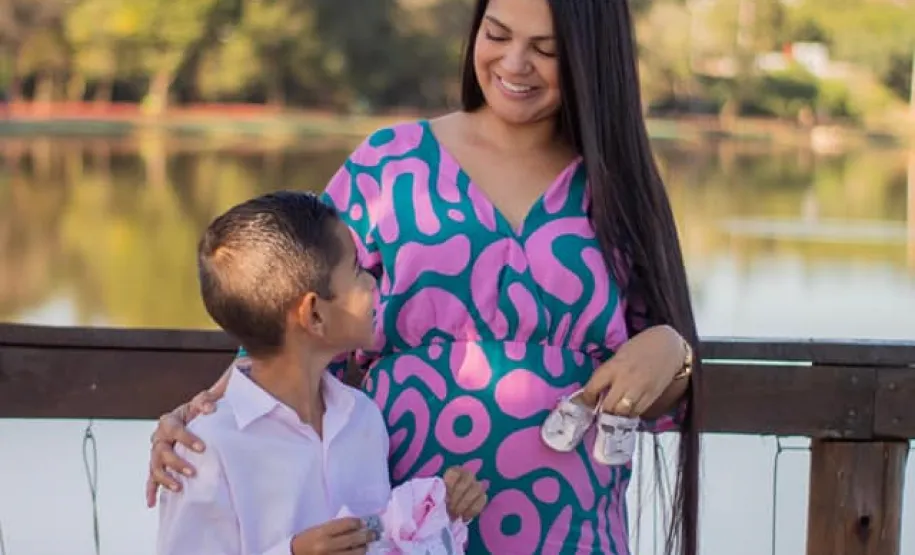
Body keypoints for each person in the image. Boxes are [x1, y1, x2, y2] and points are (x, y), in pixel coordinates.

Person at [146, 0, 702, 553]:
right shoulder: (391, 164)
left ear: (590, 56)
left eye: (546, 49)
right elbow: (292, 308)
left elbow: (656, 395)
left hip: (572, 528)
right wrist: (203, 415)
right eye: (498, 35)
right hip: (399, 523)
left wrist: (673, 353)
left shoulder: (617, 184)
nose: (513, 63)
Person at [156, 191, 486, 555]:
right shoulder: (206, 446)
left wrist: (440, 511)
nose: (373, 284)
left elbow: (380, 540)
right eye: (357, 271)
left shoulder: (363, 419)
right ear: (314, 313)